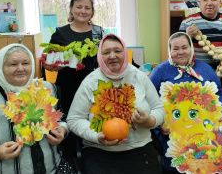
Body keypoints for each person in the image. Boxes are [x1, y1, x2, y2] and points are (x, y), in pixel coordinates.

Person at [67, 34, 165, 174]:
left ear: (125, 52)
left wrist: (150, 120)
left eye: (118, 51)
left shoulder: (139, 76)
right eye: (106, 52)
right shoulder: (90, 82)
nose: (112, 56)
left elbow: (159, 109)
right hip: (99, 153)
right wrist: (97, 136)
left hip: (140, 149)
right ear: (100, 56)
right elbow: (73, 119)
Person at [0, 44, 75, 174]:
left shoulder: (48, 89)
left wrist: (62, 130)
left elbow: (62, 119)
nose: (20, 69)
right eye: (13, 64)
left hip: (54, 169)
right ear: (0, 67)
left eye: (25, 63)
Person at [149, 32, 222, 174]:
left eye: (184, 47)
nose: (180, 52)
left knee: (220, 160)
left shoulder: (205, 69)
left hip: (206, 128)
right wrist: (159, 123)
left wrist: (220, 112)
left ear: (192, 48)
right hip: (174, 131)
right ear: (169, 50)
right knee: (177, 164)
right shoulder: (160, 71)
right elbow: (149, 99)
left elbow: (220, 93)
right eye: (175, 48)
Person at [45, 0, 104, 167]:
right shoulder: (60, 33)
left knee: (92, 120)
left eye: (87, 8)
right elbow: (49, 64)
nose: (83, 11)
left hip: (94, 86)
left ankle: (93, 154)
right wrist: (63, 63)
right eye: (79, 7)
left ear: (92, 11)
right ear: (71, 9)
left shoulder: (99, 32)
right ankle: (71, 159)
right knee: (69, 121)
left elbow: (104, 58)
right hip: (68, 87)